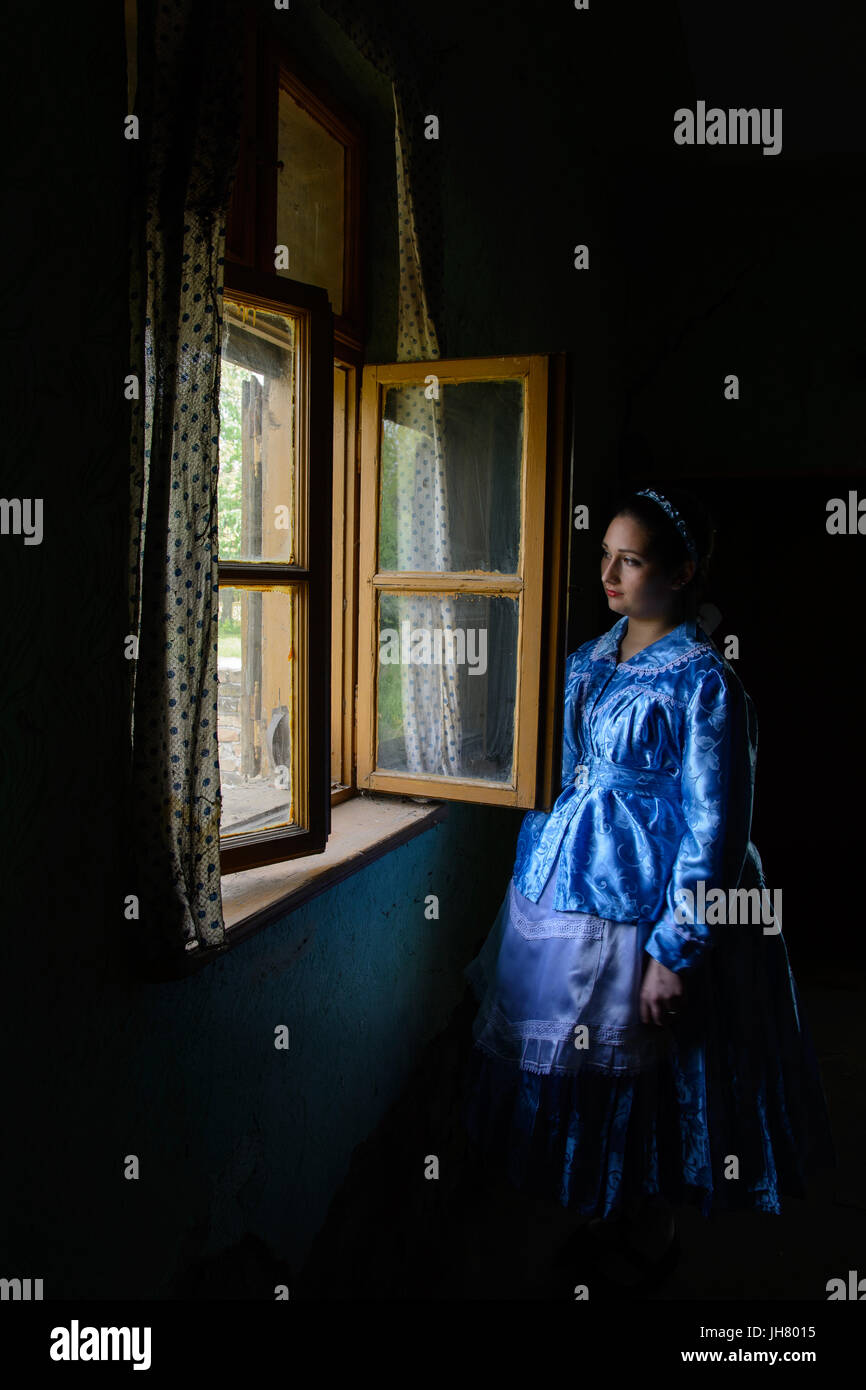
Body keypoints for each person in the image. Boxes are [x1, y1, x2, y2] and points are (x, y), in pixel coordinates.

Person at [461, 485, 835, 1292]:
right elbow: (561, 771)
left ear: (682, 570)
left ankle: (652, 1231)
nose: (609, 573)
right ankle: (607, 1213)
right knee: (577, 1060)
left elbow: (717, 824)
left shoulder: (706, 683)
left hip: (657, 898)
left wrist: (675, 951)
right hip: (571, 883)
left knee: (658, 1061)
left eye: (629, 560)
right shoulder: (590, 659)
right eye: (605, 556)